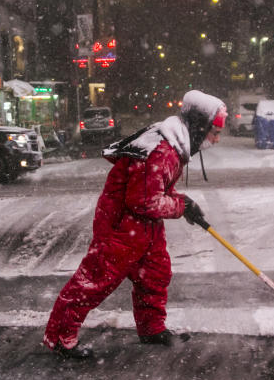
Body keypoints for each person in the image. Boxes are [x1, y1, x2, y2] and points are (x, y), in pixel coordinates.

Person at [42, 89, 228, 359]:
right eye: (215, 132)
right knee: (95, 281)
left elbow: (154, 193)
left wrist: (185, 203)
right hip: (122, 226)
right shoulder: (163, 151)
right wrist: (181, 206)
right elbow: (144, 201)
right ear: (200, 127)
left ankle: (151, 328)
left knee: (155, 274)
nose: (216, 139)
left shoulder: (173, 144)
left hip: (144, 226)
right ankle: (61, 337)